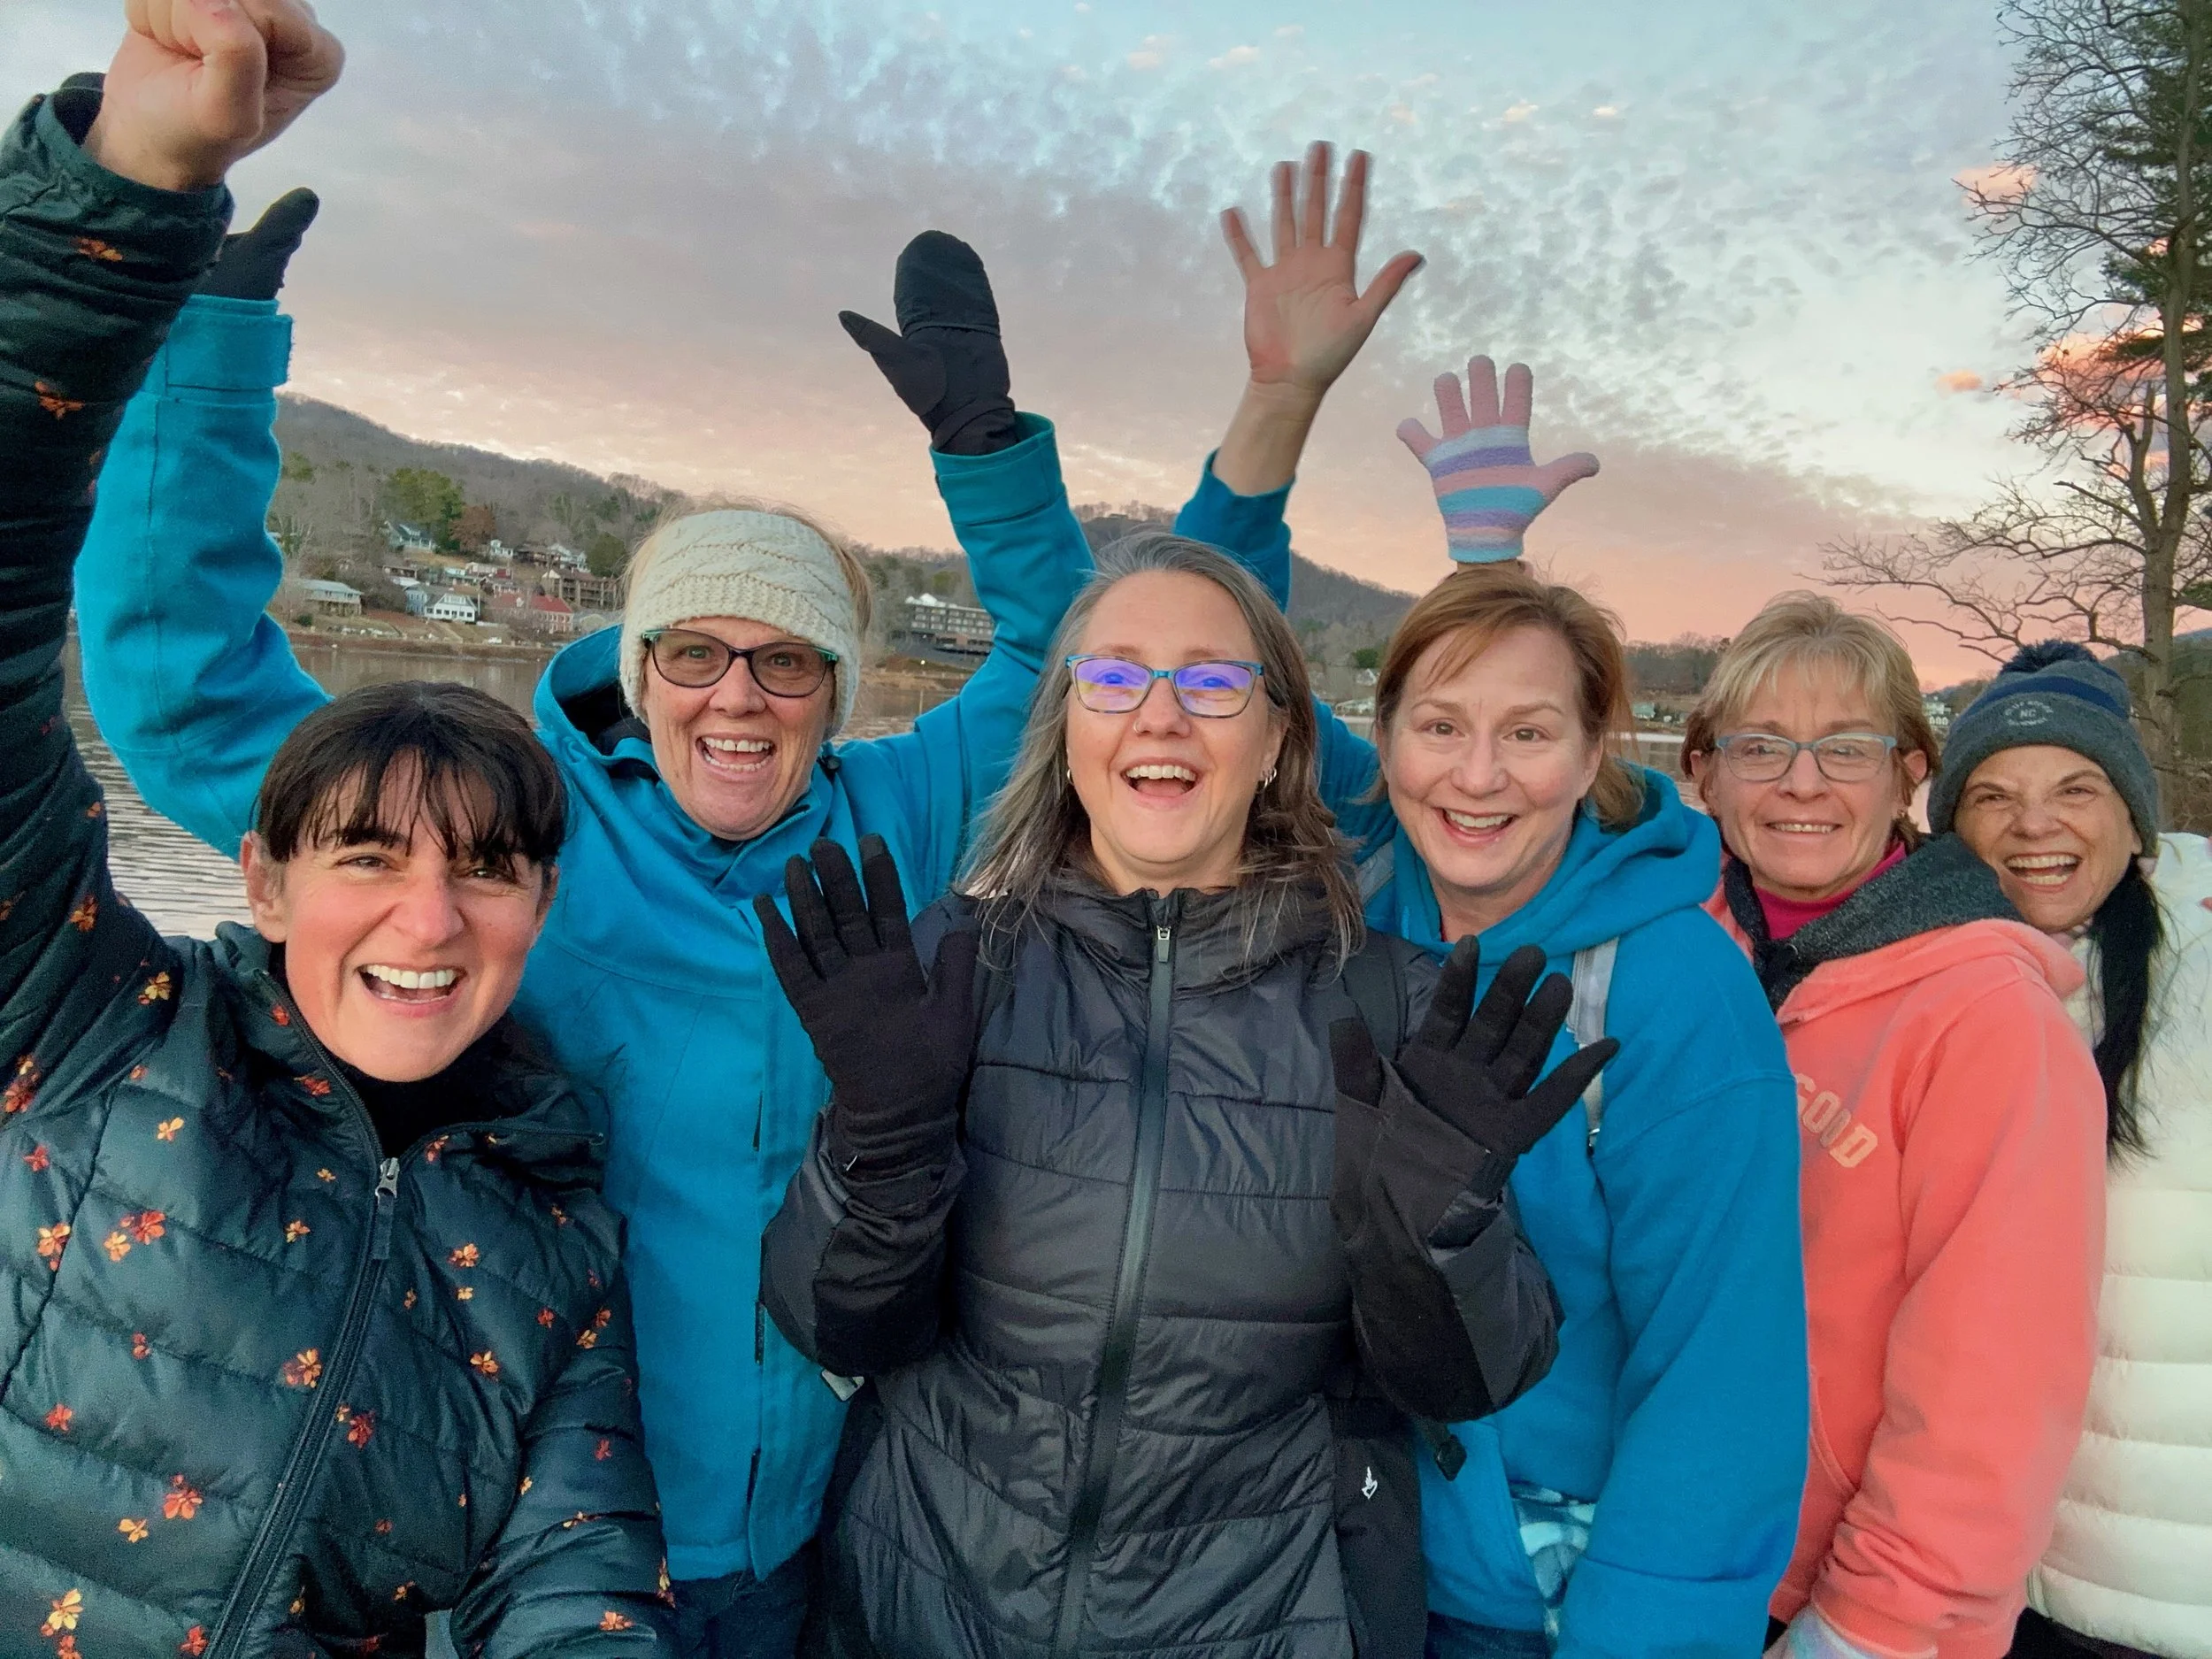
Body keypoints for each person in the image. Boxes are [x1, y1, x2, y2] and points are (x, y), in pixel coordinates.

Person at [66, 161, 1101, 1657]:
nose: (738, 697)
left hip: (811, 1524)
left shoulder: (904, 812)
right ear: (635, 670)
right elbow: (186, 692)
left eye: (788, 661)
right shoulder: (500, 831)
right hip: (528, 1535)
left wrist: (988, 449)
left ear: (838, 691)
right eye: (693, 654)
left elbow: (1071, 670)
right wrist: (210, 358)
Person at [1, 8, 672, 1654]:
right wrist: (129, 196)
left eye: (488, 868)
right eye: (371, 854)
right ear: (264, 870)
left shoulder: (560, 1216)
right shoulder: (79, 1029)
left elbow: (574, 1573)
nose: (430, 920)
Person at [1104, 144, 1809, 1658]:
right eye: (1440, 726)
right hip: (1324, 1556)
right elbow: (1220, 650)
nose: (1477, 777)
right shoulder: (1358, 889)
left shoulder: (1672, 988)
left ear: (1594, 752)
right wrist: (1278, 408)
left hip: (1544, 1597)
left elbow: (1723, 1382)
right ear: (1384, 737)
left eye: (1531, 732)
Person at [756, 532, 1608, 1658]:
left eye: (1211, 681)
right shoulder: (953, 971)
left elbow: (1464, 1380)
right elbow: (834, 1322)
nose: (1159, 714)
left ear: (1275, 743)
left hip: (1267, 1618)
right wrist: (880, 1139)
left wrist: (1436, 1235)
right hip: (928, 1600)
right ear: (1067, 734)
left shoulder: (1391, 1011)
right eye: (1112, 678)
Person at [1677, 595, 2108, 1659]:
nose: (1802, 782)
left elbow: (1997, 1375)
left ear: (1912, 774)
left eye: (1847, 748)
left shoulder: (1984, 1015)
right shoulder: (1680, 952)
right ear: (1706, 775)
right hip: (1657, 1536)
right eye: (1761, 747)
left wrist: (1879, 1625)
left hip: (1826, 1589)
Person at [1931, 645, 2212, 1659]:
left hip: (2174, 1586)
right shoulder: (1948, 978)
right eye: (1992, 795)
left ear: (2132, 814)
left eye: (2075, 788)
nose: (2034, 824)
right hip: (2002, 1576)